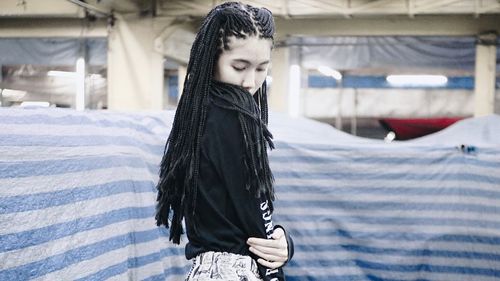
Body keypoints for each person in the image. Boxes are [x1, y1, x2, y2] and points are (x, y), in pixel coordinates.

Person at [155, 2, 294, 280]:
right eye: (239, 66)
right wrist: (276, 263)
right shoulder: (234, 112)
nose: (249, 82)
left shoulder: (198, 114)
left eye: (261, 69)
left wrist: (281, 241)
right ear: (211, 58)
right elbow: (254, 212)